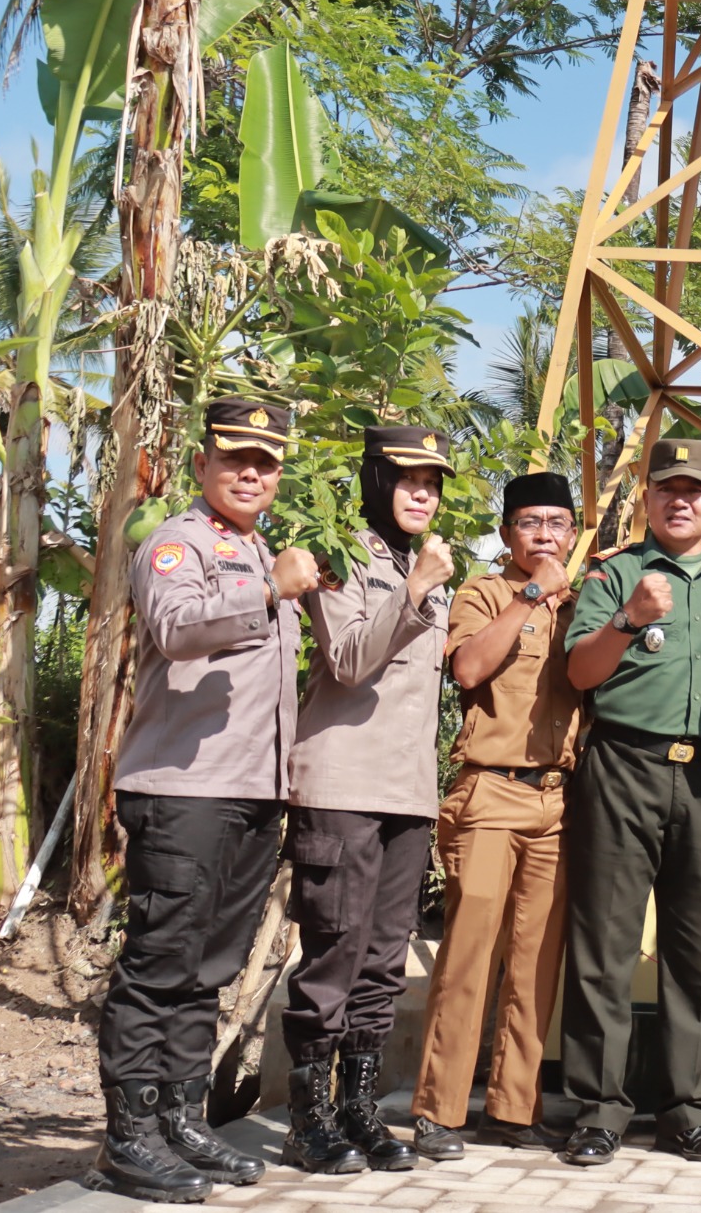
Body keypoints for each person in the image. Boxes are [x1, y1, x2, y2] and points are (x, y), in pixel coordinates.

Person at [93, 399, 319, 1204]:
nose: (252, 472)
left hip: (253, 794)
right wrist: (267, 597)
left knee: (207, 968)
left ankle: (183, 1121)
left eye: (266, 461)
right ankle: (129, 1138)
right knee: (158, 965)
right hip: (182, 792)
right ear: (203, 466)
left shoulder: (265, 556)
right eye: (236, 459)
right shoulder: (179, 544)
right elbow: (178, 627)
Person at [557, 436, 701, 1167]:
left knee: (698, 953)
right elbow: (582, 674)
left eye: (695, 490)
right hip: (622, 764)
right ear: (646, 498)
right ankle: (600, 1108)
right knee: (605, 947)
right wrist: (627, 619)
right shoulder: (616, 576)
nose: (681, 500)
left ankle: (689, 1110)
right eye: (667, 488)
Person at [282, 426, 460, 1175]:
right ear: (377, 478)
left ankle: (357, 1109)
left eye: (434, 482)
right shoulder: (343, 553)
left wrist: (424, 585)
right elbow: (349, 660)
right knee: (335, 951)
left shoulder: (430, 569)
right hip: (343, 785)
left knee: (385, 961)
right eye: (409, 478)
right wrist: (414, 593)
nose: (423, 493)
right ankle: (307, 1118)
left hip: (408, 793)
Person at [410, 471, 583, 1157]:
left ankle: (514, 1108)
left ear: (573, 531)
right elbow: (470, 670)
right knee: (468, 958)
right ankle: (438, 1110)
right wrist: (534, 591)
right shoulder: (485, 592)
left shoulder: (587, 600)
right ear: (507, 531)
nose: (545, 535)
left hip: (559, 798)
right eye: (530, 522)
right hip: (490, 792)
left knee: (536, 963)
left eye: (557, 524)